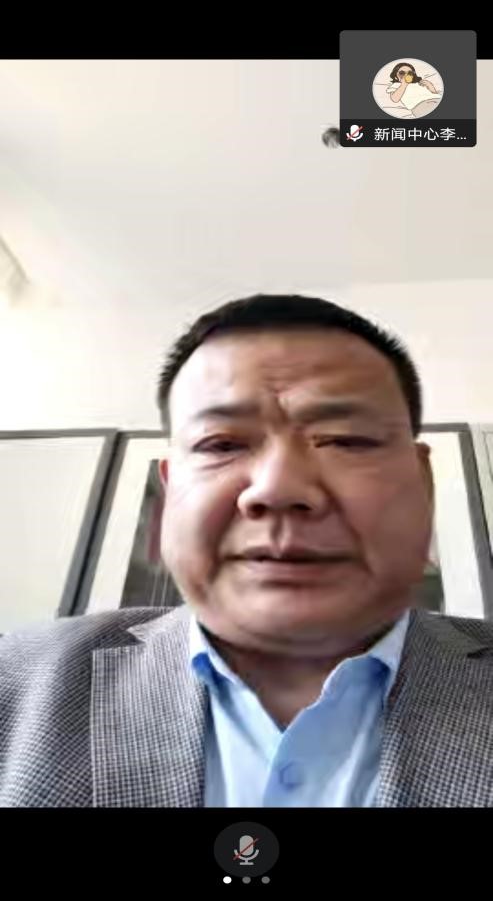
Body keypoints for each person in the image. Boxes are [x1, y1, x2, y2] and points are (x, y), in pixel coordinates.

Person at [1, 293, 493, 808]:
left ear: (422, 483)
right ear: (170, 490)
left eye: (345, 439)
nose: (277, 488)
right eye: (221, 444)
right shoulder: (12, 681)